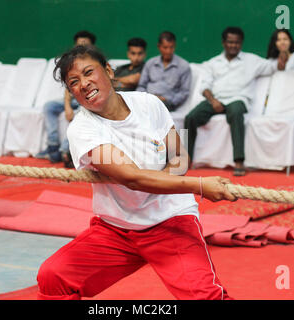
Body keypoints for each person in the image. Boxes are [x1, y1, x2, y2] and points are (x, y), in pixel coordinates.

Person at [36, 45, 236, 300]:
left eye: (88, 72)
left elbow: (180, 157)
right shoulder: (81, 129)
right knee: (53, 276)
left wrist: (163, 181)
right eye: (74, 82)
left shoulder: (150, 103)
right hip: (115, 228)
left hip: (171, 220)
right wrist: (199, 186)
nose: (84, 84)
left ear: (108, 70)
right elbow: (132, 178)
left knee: (204, 297)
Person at [184, 27, 274, 176]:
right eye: (230, 42)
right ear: (223, 43)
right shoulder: (213, 63)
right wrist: (213, 101)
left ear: (241, 43)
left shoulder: (252, 60)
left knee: (235, 112)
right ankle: (186, 158)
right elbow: (205, 86)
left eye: (237, 43)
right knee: (190, 118)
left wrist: (283, 52)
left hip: (238, 99)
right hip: (216, 100)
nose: (233, 45)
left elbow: (275, 67)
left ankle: (239, 161)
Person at [35, 30, 96, 163]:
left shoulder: (96, 64)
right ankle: (52, 146)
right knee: (49, 106)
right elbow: (69, 88)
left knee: (83, 111)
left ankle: (64, 151)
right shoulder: (71, 64)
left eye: (85, 45)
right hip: (74, 99)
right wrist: (67, 106)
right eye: (79, 45)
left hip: (87, 100)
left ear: (92, 47)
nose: (81, 49)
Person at [137, 31, 191, 112]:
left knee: (152, 110)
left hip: (167, 103)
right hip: (147, 100)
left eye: (171, 47)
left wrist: (168, 100)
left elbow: (184, 92)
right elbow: (141, 86)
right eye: (165, 47)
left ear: (175, 46)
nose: (168, 51)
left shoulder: (183, 66)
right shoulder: (150, 63)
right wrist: (147, 97)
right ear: (159, 47)